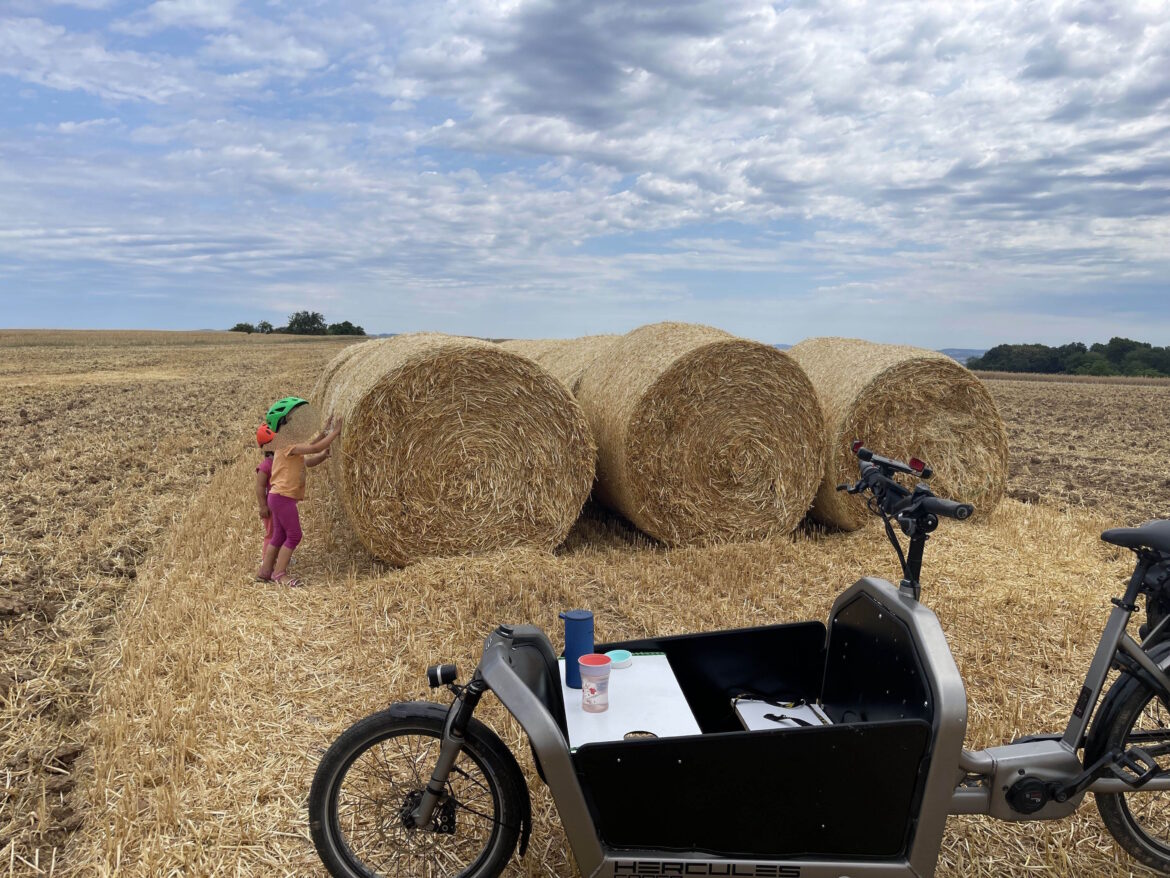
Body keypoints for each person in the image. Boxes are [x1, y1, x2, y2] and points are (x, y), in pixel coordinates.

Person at [257, 397, 343, 586]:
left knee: (279, 535)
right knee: (295, 535)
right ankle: (279, 574)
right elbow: (314, 447)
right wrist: (335, 433)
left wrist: (325, 433)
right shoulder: (288, 445)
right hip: (283, 498)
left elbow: (309, 455)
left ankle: (265, 571)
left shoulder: (285, 445)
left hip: (277, 497)